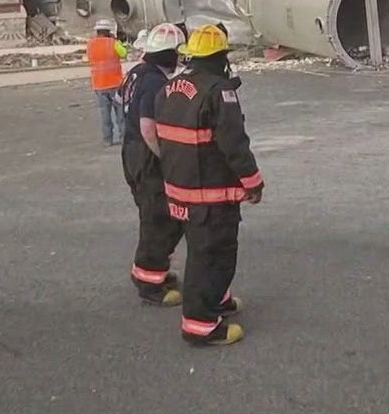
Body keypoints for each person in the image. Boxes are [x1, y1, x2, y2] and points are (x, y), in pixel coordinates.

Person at [155, 25, 263, 346]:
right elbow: (234, 145)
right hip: (210, 196)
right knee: (213, 255)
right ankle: (200, 324)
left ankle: (217, 300)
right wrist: (253, 182)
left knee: (202, 251)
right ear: (220, 57)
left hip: (179, 191)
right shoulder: (219, 92)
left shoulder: (169, 89)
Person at [123, 22, 187, 305]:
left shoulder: (137, 73)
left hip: (132, 151)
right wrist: (167, 157)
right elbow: (149, 126)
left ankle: (153, 269)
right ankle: (150, 282)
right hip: (146, 154)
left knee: (152, 215)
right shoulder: (154, 82)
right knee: (159, 218)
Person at [88, 18, 128, 146]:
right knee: (120, 113)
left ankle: (107, 140)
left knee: (105, 114)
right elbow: (124, 54)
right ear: (110, 31)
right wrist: (119, 42)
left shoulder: (90, 44)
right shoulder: (113, 43)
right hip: (115, 83)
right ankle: (123, 138)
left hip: (99, 84)